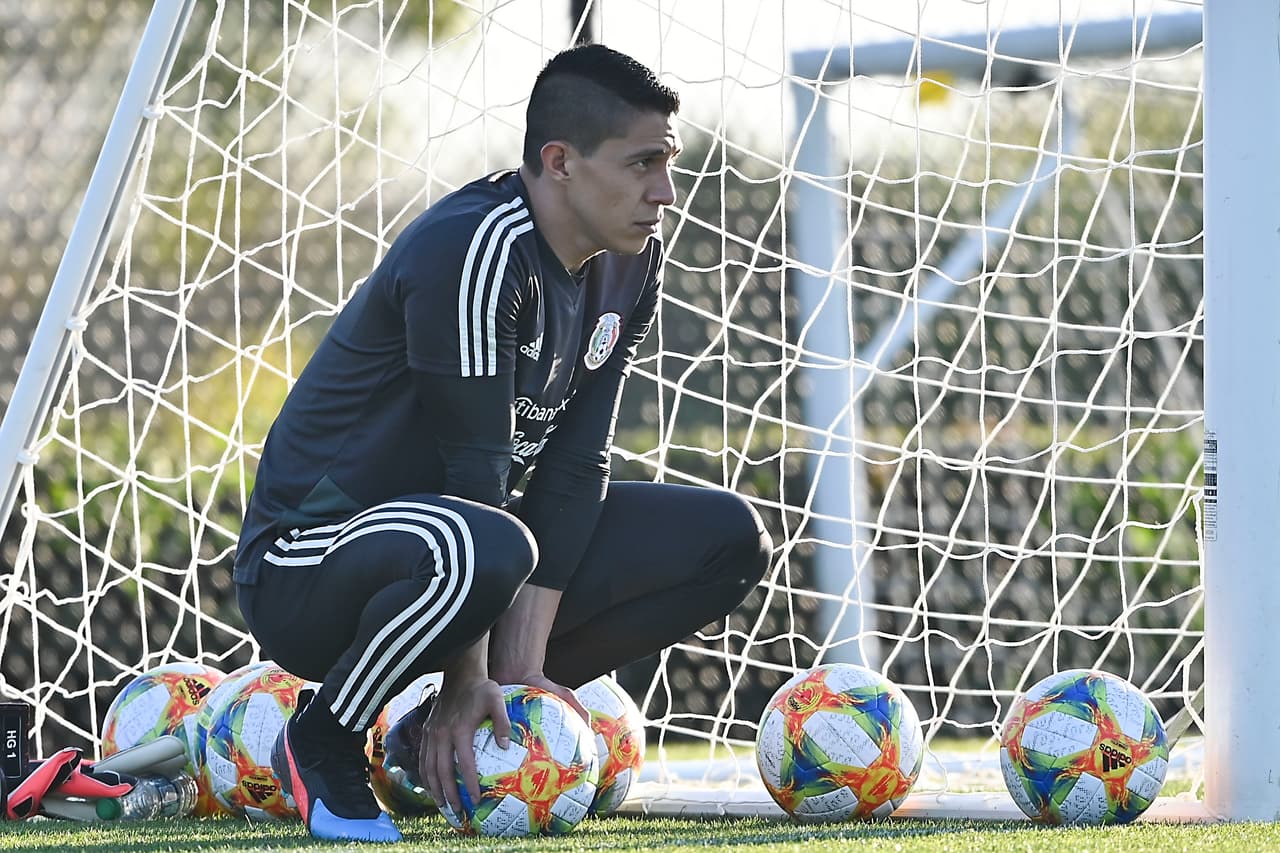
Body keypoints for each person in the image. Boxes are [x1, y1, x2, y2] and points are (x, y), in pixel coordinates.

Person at [233, 43, 772, 843]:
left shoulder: (630, 263)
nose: (665, 192)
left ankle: (439, 732)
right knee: (486, 541)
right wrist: (467, 669)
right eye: (642, 164)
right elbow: (476, 473)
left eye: (670, 163)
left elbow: (574, 463)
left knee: (727, 540)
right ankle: (323, 736)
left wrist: (514, 670)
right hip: (310, 564)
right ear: (560, 161)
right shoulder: (476, 248)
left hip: (468, 551)